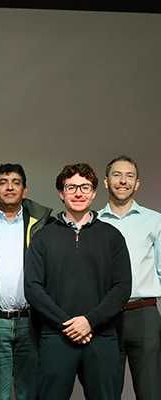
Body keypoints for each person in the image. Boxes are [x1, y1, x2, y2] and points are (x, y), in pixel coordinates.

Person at [24, 163, 132, 400]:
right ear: (61, 193)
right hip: (56, 335)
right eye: (71, 187)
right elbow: (32, 288)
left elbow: (122, 287)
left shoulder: (112, 237)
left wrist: (90, 321)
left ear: (94, 192)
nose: (78, 193)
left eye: (85, 187)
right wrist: (69, 324)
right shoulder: (43, 237)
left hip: (101, 336)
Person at [0, 163, 53, 400]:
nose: (10, 187)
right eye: (3, 182)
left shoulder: (44, 223)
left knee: (33, 394)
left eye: (16, 182)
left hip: (32, 323)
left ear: (24, 191)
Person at [98, 155, 161, 400]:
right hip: (105, 317)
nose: (123, 181)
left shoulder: (155, 221)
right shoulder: (94, 223)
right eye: (116, 175)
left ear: (137, 184)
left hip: (143, 315)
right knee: (105, 392)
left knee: (151, 392)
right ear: (105, 182)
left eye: (129, 176)